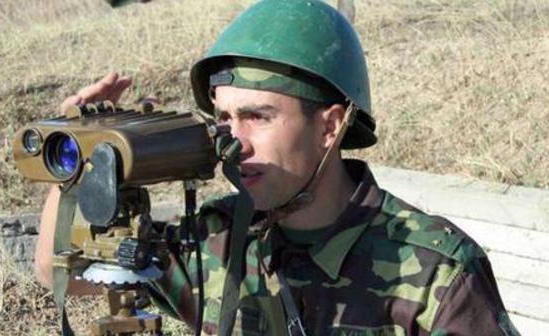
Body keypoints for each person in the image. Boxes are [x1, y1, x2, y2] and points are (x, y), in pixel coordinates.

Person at [35, 0, 520, 335]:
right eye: (224, 118)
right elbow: (61, 274)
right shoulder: (217, 240)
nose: (233, 140)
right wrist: (79, 157)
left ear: (329, 127)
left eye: (258, 117)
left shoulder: (435, 270)